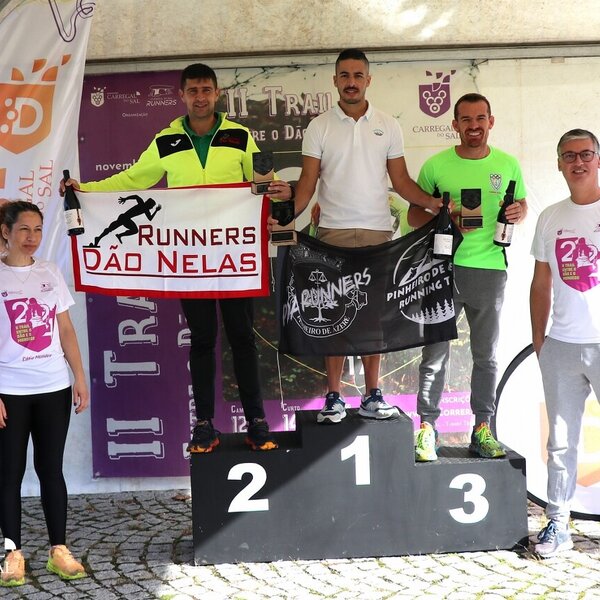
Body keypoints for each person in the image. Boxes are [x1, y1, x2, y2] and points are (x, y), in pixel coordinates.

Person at [61, 63, 292, 452]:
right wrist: (86, 189)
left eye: (206, 90)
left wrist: (278, 190)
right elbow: (133, 179)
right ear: (182, 95)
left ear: (217, 93)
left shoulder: (239, 136)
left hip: (233, 255)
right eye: (193, 91)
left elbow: (260, 183)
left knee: (242, 338)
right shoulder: (167, 140)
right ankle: (204, 425)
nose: (200, 97)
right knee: (202, 340)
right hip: (190, 259)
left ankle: (256, 422)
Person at [286, 48, 442, 424]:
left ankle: (373, 394)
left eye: (358, 75)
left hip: (377, 233)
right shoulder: (319, 126)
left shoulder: (388, 125)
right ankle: (334, 397)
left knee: (372, 318)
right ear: (335, 80)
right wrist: (285, 217)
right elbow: (307, 183)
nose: (351, 82)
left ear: (368, 80)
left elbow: (401, 181)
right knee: (333, 315)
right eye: (345, 75)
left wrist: (434, 204)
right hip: (332, 233)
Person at [408, 93, 527, 461]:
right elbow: (412, 217)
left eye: (480, 118)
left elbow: (520, 206)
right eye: (466, 119)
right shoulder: (435, 166)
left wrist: (520, 211)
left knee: (486, 355)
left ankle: (483, 429)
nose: (473, 126)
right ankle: (427, 428)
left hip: (490, 270)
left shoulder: (508, 164)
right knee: (434, 353)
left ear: (491, 121)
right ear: (454, 124)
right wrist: (445, 217)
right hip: (442, 269)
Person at [0, 201, 89, 586]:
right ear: (6, 232)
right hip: (9, 391)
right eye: (23, 229)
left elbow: (65, 329)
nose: (32, 237)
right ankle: (12, 553)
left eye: (37, 229)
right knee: (9, 473)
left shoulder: (50, 272)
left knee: (51, 469)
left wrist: (79, 377)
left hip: (53, 387)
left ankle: (59, 550)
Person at [530, 128, 600, 558]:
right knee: (560, 441)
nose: (578, 162)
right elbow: (541, 283)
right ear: (558, 163)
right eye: (569, 155)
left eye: (586, 154)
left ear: (598, 159)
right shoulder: (550, 217)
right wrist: (540, 341)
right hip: (562, 345)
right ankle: (558, 522)